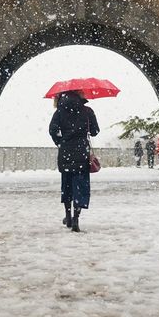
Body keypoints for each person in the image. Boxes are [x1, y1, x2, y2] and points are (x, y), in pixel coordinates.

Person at [48, 91, 100, 232]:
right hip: (81, 152)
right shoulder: (87, 111)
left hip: (65, 153)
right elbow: (95, 131)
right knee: (80, 186)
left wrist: (61, 142)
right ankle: (76, 218)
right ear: (80, 95)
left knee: (67, 185)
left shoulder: (59, 112)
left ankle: (68, 216)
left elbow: (52, 130)